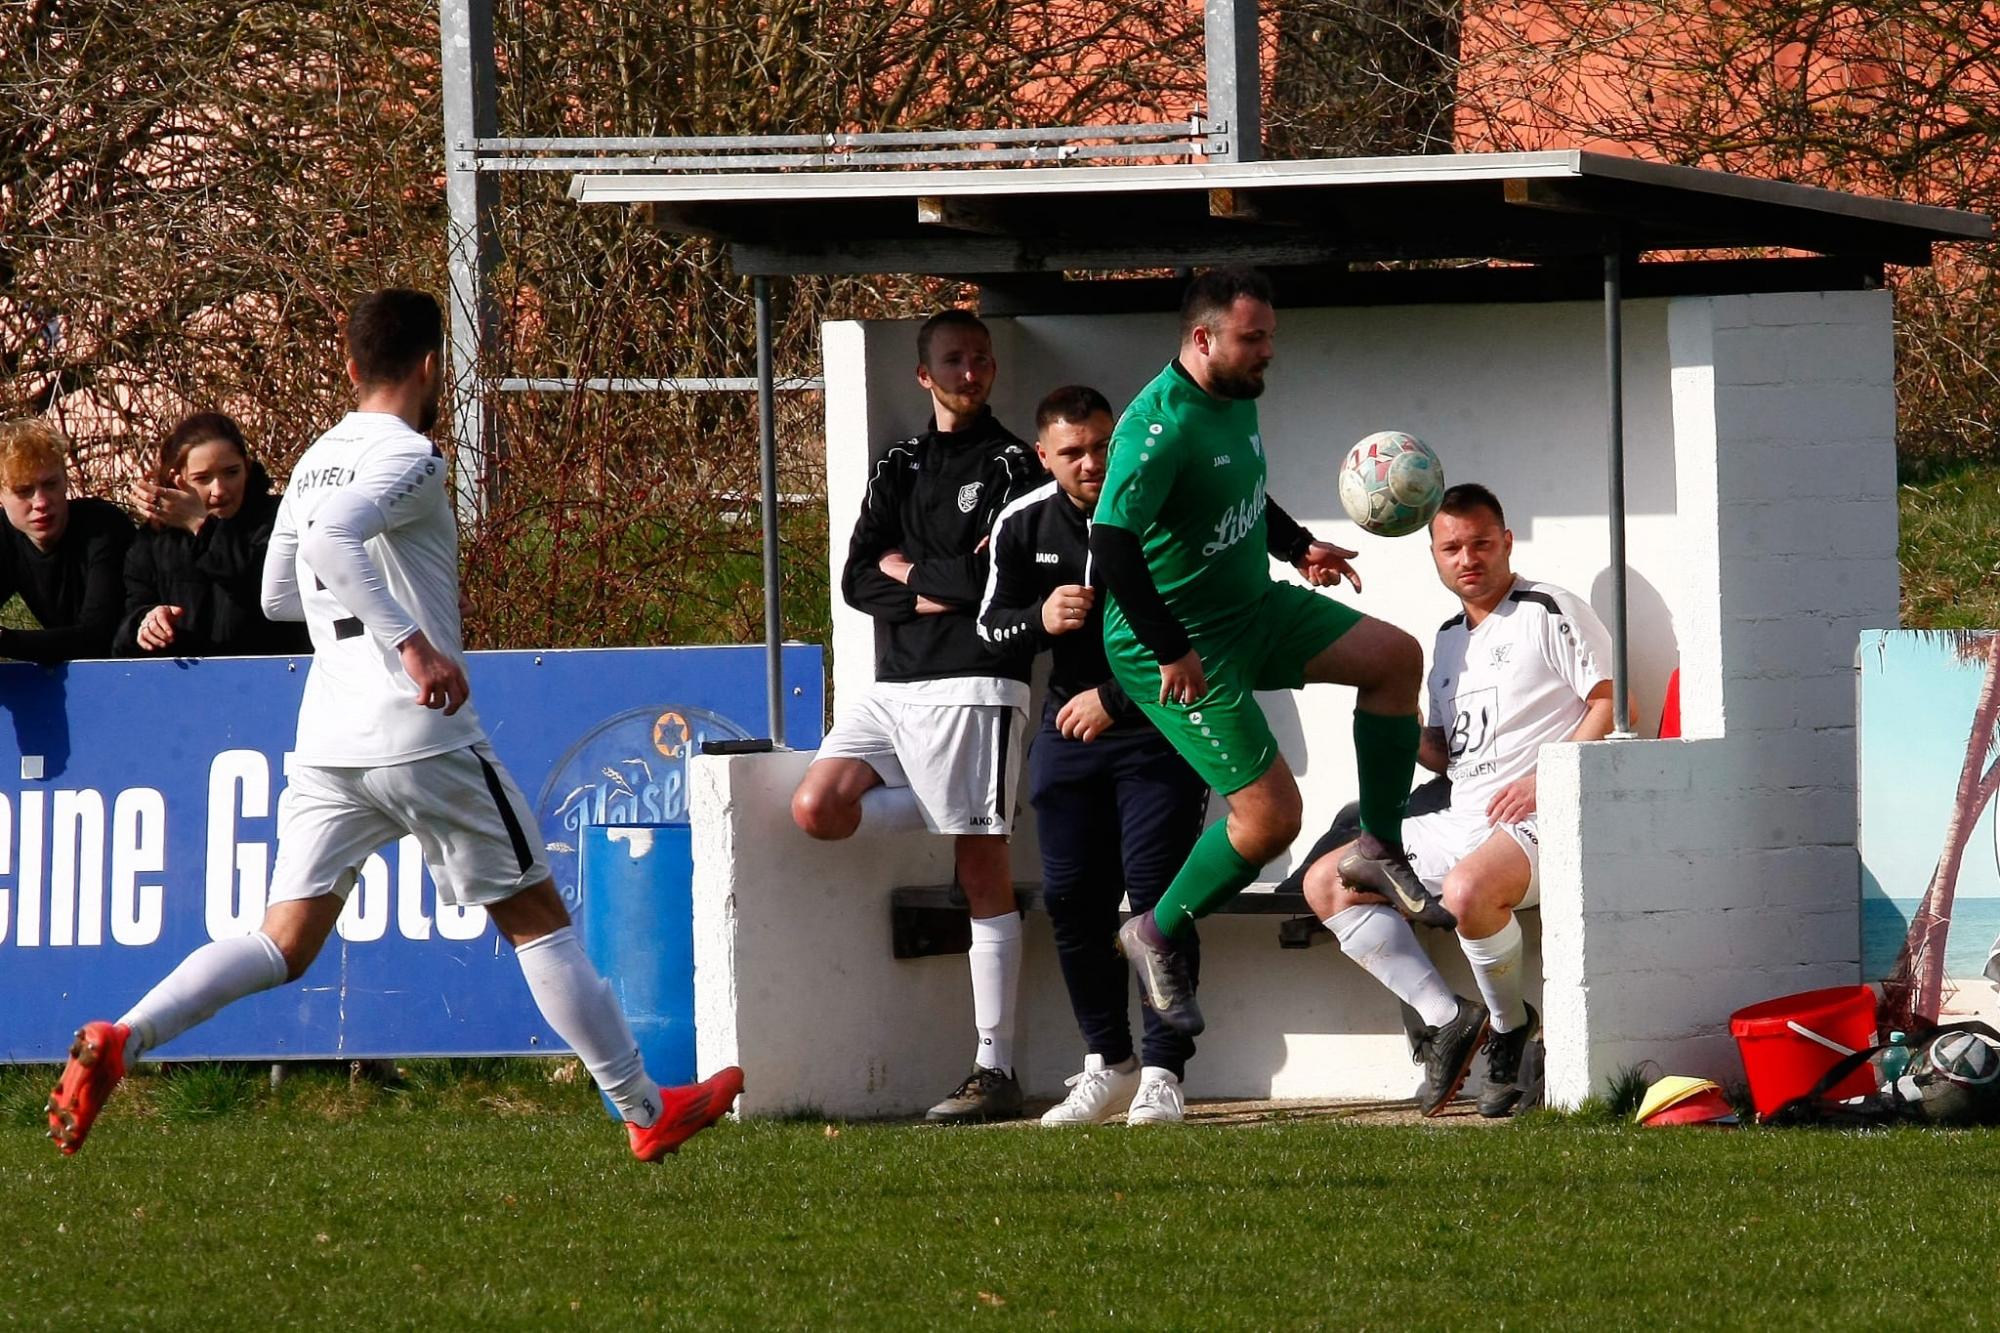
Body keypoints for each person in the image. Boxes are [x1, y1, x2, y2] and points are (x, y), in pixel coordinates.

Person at [45, 289, 741, 1161]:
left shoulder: (311, 459)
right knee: (538, 918)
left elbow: (274, 591)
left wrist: (357, 609)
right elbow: (336, 539)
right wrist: (413, 646)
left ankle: (125, 1036)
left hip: (329, 736)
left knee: (281, 938)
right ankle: (645, 1107)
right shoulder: (411, 454)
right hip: (422, 733)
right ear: (428, 367)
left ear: (347, 366)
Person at [1091, 267, 1442, 1039]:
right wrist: (1171, 647)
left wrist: (1296, 545)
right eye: (1254, 339)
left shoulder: (1234, 399)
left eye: (1270, 339)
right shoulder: (1159, 426)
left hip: (1253, 608)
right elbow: (1111, 542)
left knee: (1395, 658)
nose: (1267, 354)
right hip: (1178, 647)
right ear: (1202, 337)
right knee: (1272, 818)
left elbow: (1241, 495)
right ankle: (1152, 931)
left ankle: (1377, 844)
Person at [790, 308, 1045, 1124]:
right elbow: (857, 579)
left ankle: (994, 1067)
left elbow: (996, 584)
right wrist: (925, 581)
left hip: (977, 681)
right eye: (954, 360)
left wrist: (912, 576)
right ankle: (952, 804)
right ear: (922, 375)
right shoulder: (899, 463)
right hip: (891, 689)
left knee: (980, 872)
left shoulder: (1014, 464)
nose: (971, 373)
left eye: (981, 359)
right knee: (817, 807)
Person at [1298, 483, 1613, 1116]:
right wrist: (1395, 721)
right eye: (1452, 549)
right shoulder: (1445, 639)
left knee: (1468, 892)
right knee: (1328, 882)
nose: (1468, 558)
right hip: (1462, 817)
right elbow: (1449, 756)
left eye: (1480, 544)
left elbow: (1609, 705)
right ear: (1436, 558)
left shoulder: (1549, 608)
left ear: (1506, 544)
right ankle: (1448, 1020)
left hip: (1544, 815)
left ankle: (1508, 1028)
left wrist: (1547, 777)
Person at [978, 385, 1211, 1126]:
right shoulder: (1021, 522)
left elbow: (1203, 624)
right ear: (1042, 455)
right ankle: (1108, 1063)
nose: (1090, 463)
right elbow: (987, 628)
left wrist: (1116, 696)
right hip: (1068, 733)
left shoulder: (1157, 510)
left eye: (1101, 447)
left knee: (1156, 903)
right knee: (1073, 902)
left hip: (1160, 728)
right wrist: (1038, 620)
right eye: (1072, 451)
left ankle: (1165, 1073)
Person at [113, 411, 312, 658]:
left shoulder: (280, 519)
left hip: (272, 676)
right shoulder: (154, 540)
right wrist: (145, 624)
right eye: (203, 478)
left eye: (231, 473)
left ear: (247, 469)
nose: (218, 491)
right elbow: (123, 629)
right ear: (179, 479)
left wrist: (200, 525)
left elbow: (260, 589)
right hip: (189, 684)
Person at [0, 418, 132, 664]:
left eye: (50, 484)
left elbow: (97, 635)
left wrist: (6, 642)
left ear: (65, 481)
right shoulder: (5, 535)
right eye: (23, 491)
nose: (41, 502)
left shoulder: (103, 526)